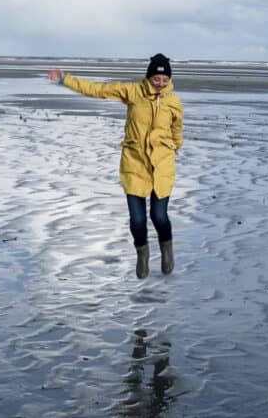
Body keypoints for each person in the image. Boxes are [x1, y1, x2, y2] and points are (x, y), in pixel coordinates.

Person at [46, 54, 183, 278]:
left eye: (164, 79)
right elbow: (98, 90)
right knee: (138, 220)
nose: (159, 84)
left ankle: (167, 250)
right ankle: (143, 254)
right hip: (134, 164)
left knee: (159, 216)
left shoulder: (173, 102)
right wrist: (65, 80)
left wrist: (176, 145)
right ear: (148, 77)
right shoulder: (132, 92)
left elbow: (177, 127)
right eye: (156, 79)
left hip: (162, 166)